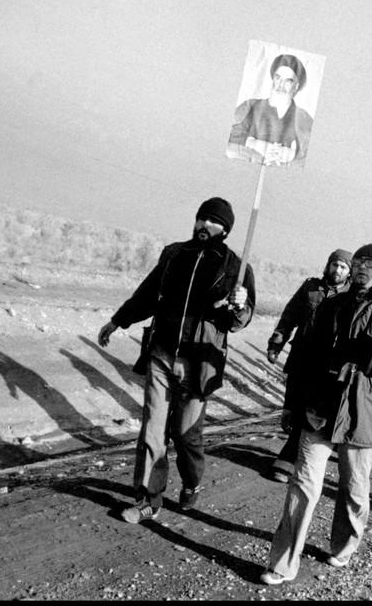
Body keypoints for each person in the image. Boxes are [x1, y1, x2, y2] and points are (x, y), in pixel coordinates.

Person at [260, 243, 372, 585]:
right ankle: (283, 563)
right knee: (303, 485)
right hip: (321, 407)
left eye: (369, 263)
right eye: (358, 262)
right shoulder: (332, 305)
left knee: (354, 487)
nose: (361, 268)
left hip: (364, 411)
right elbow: (305, 357)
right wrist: (293, 403)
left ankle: (344, 546)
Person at [97, 197, 255, 523]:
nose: (204, 226)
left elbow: (239, 323)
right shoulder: (174, 254)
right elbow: (148, 293)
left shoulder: (237, 268)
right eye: (201, 219)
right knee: (153, 429)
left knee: (185, 435)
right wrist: (118, 320)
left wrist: (241, 305)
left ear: (225, 230)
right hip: (162, 353)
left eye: (212, 222)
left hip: (200, 364)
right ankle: (148, 500)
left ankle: (192, 482)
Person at [265, 248, 353, 482]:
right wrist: (276, 343)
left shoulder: (350, 296)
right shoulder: (311, 288)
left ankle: (289, 459)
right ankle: (296, 449)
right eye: (335, 265)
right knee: (292, 406)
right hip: (300, 357)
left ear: (349, 272)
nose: (337, 270)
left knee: (309, 408)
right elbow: (289, 316)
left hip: (325, 365)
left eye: (343, 267)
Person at [228, 53, 314, 165]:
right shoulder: (249, 106)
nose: (280, 85)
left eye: (288, 81)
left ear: (296, 86)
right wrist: (258, 150)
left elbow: (308, 157)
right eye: (278, 78)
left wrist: (288, 155)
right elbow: (230, 141)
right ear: (273, 79)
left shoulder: (304, 118)